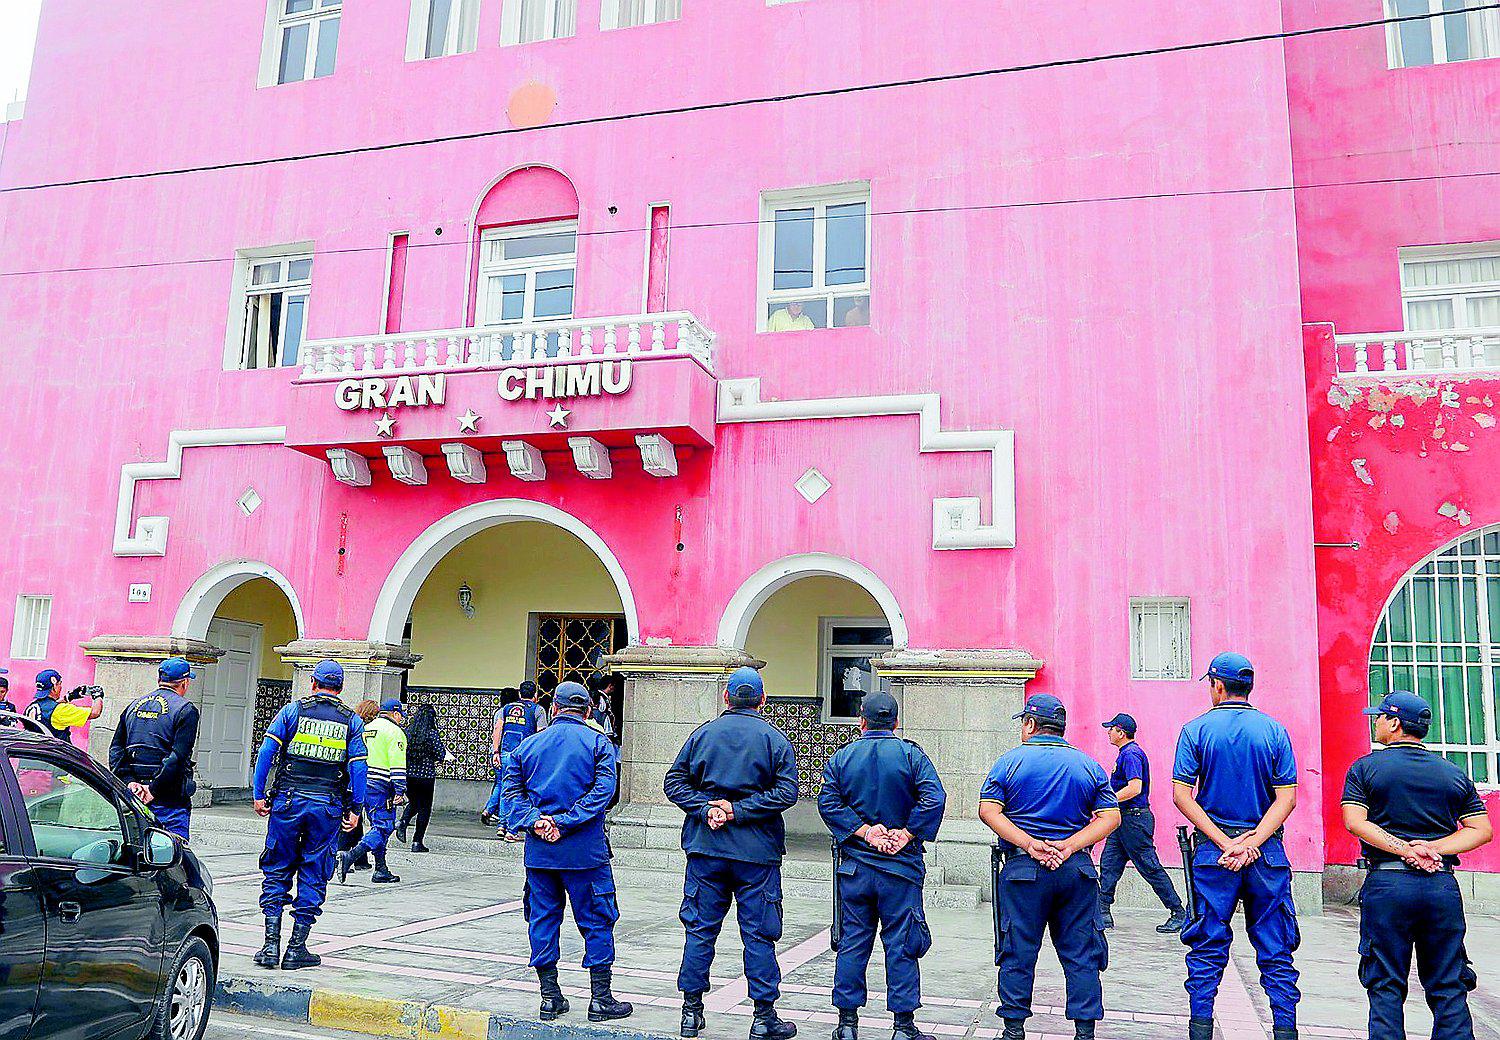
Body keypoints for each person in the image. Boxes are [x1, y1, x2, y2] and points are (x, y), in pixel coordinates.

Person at [1342, 690, 1492, 1040]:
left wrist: (1404, 850)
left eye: (1379, 717)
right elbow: (1481, 830)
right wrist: (1432, 849)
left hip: (1388, 886)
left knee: (1385, 983)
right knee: (1448, 983)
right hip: (1440, 886)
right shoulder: (1452, 773)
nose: (1375, 722)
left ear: (1394, 724)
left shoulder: (1366, 768)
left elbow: (1355, 821)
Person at [664, 666, 800, 1040]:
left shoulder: (702, 734)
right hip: (756, 854)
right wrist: (739, 811)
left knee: (700, 931)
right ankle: (763, 1016)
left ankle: (690, 1013)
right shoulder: (775, 740)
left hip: (706, 849)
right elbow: (787, 793)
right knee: (758, 934)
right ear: (763, 699)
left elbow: (673, 782)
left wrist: (708, 808)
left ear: (726, 698)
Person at [1173, 652, 1300, 1040]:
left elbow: (1182, 796)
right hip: (1267, 852)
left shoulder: (1195, 730)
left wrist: (1227, 843)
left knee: (1206, 947)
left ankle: (1201, 1028)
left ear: (1216, 685)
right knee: (1276, 949)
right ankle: (1284, 1029)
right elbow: (1287, 798)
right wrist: (1253, 842)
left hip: (1215, 853)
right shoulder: (1274, 731)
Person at [979, 693, 1119, 1040]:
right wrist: (1071, 846)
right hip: (1076, 871)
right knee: (1081, 951)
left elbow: (988, 811)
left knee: (1018, 949)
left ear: (1030, 724)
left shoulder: (1009, 762)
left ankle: (1013, 1030)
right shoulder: (1088, 765)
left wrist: (1029, 844)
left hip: (1024, 870)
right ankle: (1084, 1031)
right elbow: (1110, 817)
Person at [819, 691, 946, 1040]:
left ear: (861, 721)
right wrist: (906, 833)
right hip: (900, 871)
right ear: (895, 722)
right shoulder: (911, 755)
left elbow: (827, 801)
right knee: (903, 944)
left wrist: (863, 831)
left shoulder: (843, 757)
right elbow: (935, 797)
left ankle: (847, 1025)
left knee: (852, 944)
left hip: (855, 869)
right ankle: (903, 1028)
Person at [502, 681, 632, 1023]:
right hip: (585, 854)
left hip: (541, 854)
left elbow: (511, 796)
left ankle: (550, 997)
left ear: (555, 709)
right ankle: (600, 1000)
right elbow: (604, 792)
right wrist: (567, 822)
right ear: (588, 711)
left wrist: (538, 822)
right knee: (597, 921)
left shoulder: (526, 748)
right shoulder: (598, 744)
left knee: (543, 920)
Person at [251, 660, 367, 970]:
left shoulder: (291, 712)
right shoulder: (351, 721)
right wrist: (356, 808)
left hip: (287, 803)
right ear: (340, 689)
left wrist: (259, 793)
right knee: (315, 870)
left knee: (277, 867)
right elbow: (357, 767)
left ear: (313, 684)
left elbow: (266, 753)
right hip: (327, 806)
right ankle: (296, 949)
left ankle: (270, 946)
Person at [1095, 712, 1185, 933]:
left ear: (1121, 732)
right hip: (1123, 819)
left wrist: (1107, 800)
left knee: (1149, 867)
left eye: (1111, 729)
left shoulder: (1131, 754)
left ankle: (1179, 912)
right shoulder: (1125, 754)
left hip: (1134, 820)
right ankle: (1102, 912)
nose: (1108, 732)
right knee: (1109, 865)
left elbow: (1135, 787)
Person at [109, 657, 201, 842]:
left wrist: (129, 781)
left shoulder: (134, 705)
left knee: (137, 854)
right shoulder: (186, 710)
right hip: (169, 802)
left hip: (134, 797)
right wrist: (153, 789)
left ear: (160, 680)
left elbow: (116, 749)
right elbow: (177, 757)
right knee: (173, 858)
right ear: (185, 682)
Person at [338, 698, 407, 884]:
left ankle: (381, 868)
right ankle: (351, 856)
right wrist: (400, 790)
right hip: (381, 785)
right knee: (384, 826)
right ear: (396, 714)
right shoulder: (396, 732)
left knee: (378, 826)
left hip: (361, 783)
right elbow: (397, 764)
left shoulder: (365, 728)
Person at [494, 681, 545, 841]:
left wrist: (496, 751)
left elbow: (498, 729)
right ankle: (512, 829)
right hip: (525, 757)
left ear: (520, 693)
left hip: (505, 753)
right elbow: (541, 734)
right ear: (535, 695)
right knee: (521, 792)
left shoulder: (506, 708)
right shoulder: (538, 710)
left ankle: (502, 825)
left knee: (505, 789)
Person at [397, 703, 451, 853]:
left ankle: (403, 821)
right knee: (425, 808)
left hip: (408, 774)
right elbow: (440, 754)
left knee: (414, 802)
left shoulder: (407, 732)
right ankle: (417, 842)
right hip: (426, 776)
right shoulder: (431, 734)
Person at [338, 699, 380, 871]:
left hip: (348, 780)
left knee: (356, 821)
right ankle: (340, 855)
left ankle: (361, 859)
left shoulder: (352, 726)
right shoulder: (363, 731)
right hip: (355, 781)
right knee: (349, 820)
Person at [25, 669, 103, 741]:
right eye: (59, 684)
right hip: (55, 753)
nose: (60, 687)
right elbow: (95, 713)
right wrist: (98, 696)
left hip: (35, 753)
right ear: (54, 687)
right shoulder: (60, 710)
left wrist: (69, 697)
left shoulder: (31, 707)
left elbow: (50, 709)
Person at [480, 687, 519, 827]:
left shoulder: (499, 712)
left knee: (500, 783)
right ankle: (499, 816)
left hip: (496, 752)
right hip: (504, 752)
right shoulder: (507, 713)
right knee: (504, 785)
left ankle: (489, 810)